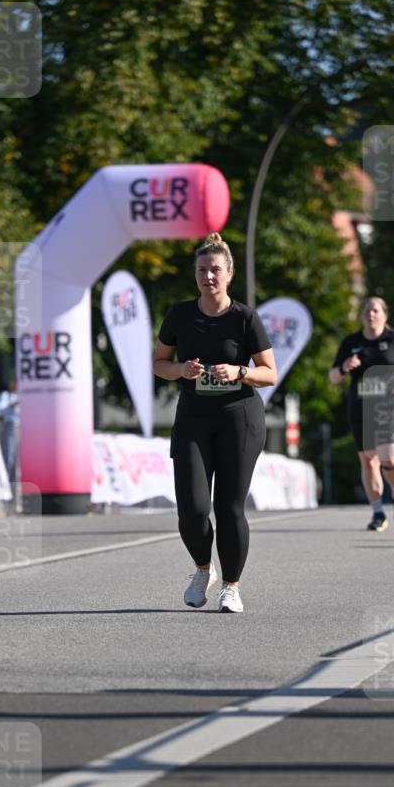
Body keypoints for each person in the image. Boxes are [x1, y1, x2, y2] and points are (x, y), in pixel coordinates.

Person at [153, 233, 277, 613]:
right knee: (191, 507)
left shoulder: (245, 318)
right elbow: (159, 364)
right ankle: (202, 569)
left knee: (229, 507)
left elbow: (269, 373)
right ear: (195, 274)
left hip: (239, 419)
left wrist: (239, 371)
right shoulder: (179, 315)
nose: (209, 277)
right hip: (193, 417)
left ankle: (231, 586)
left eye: (216, 270)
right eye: (202, 270)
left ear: (230, 274)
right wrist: (180, 369)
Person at [329, 297, 394, 531]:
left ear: (385, 315)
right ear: (361, 315)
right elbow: (333, 377)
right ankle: (378, 513)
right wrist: (344, 367)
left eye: (375, 310)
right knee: (368, 462)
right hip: (361, 407)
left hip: (390, 407)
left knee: (389, 458)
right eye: (366, 311)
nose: (370, 315)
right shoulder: (351, 342)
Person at [0, 378, 20, 484]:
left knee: (20, 461)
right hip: (11, 426)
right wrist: (12, 405)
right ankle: (7, 485)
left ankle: (18, 489)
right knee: (9, 457)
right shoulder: (6, 395)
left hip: (25, 428)